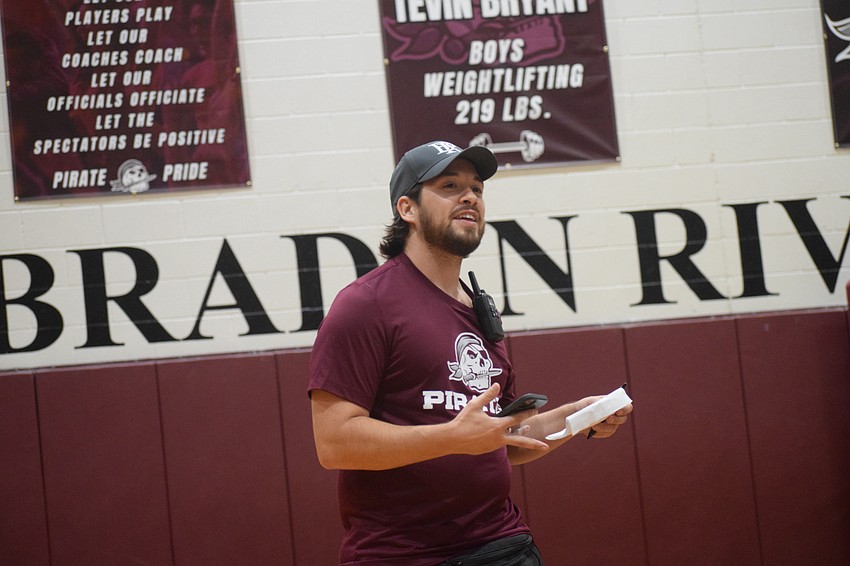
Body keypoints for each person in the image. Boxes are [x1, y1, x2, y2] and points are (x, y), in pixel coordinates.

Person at [308, 140, 633, 566]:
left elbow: (503, 439)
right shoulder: (366, 304)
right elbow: (334, 444)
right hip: (402, 556)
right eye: (449, 185)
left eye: (477, 188)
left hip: (502, 546)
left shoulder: (480, 308)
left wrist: (579, 417)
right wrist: (450, 437)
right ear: (407, 209)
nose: (470, 197)